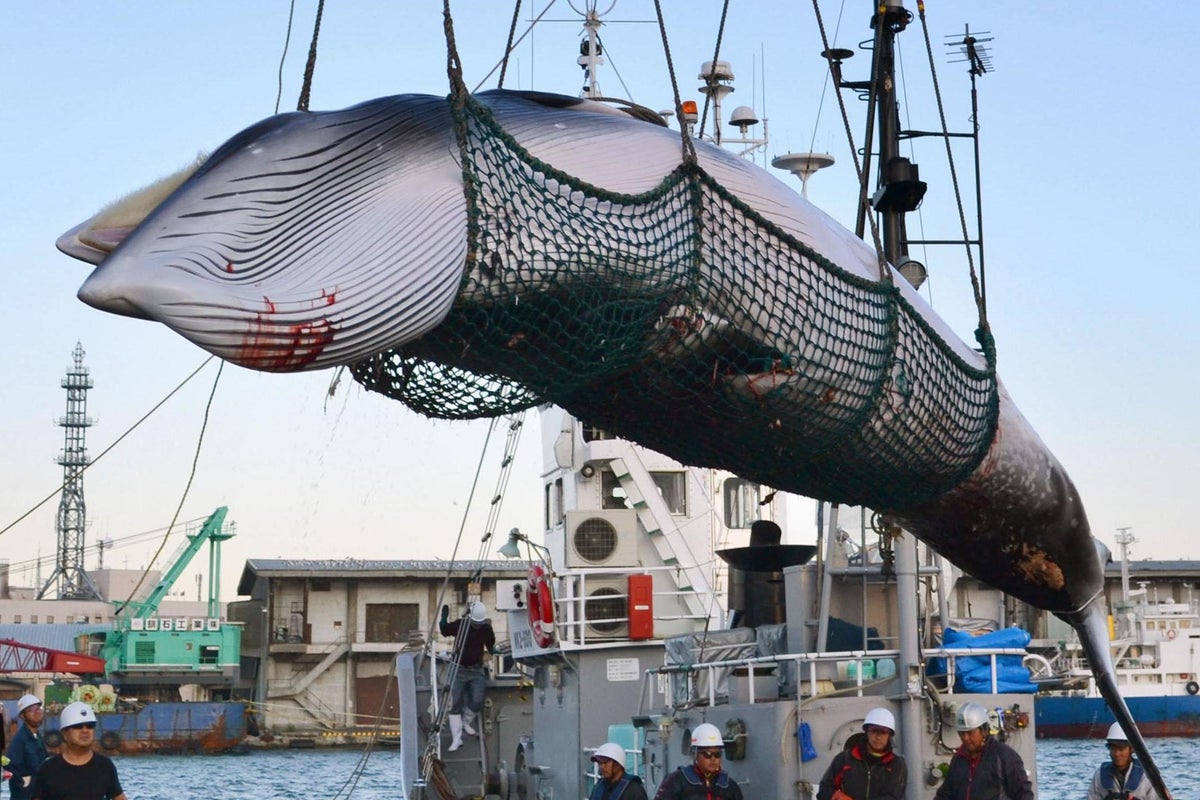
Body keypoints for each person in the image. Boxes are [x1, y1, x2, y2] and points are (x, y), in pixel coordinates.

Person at [934, 702, 1032, 800]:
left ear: (984, 730)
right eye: (961, 733)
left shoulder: (1004, 756)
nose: (965, 738)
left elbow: (1023, 793)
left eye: (970, 732)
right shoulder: (958, 759)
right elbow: (945, 794)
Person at [31, 702, 126, 800]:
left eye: (90, 726)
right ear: (64, 733)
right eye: (78, 726)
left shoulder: (105, 766)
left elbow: (119, 797)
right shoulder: (48, 769)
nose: (85, 730)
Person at [439, 600, 496, 751]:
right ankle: (456, 738)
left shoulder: (486, 629)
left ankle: (466, 722)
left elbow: (490, 644)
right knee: (454, 703)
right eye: (475, 623)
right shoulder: (461, 625)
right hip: (458, 668)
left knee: (478, 700)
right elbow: (444, 630)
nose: (477, 626)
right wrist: (444, 617)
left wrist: (493, 650)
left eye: (479, 623)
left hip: (476, 669)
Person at [817, 707, 907, 800]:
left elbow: (893, 797)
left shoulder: (897, 765)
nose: (878, 737)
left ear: (890, 735)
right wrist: (838, 796)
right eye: (874, 731)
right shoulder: (844, 759)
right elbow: (824, 791)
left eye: (883, 732)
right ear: (867, 732)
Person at [653, 722, 743, 800]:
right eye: (707, 754)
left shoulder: (729, 785)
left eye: (717, 754)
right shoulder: (677, 780)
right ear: (695, 754)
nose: (713, 759)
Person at [1086, 722, 1162, 800]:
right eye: (1113, 748)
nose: (1116, 754)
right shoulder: (1099, 775)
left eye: (1121, 749)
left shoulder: (1147, 776)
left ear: (1132, 749)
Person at [7, 694, 49, 800]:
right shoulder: (20, 740)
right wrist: (26, 786)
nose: (37, 712)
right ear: (22, 716)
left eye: (38, 708)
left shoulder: (37, 737)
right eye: (31, 710)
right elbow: (11, 766)